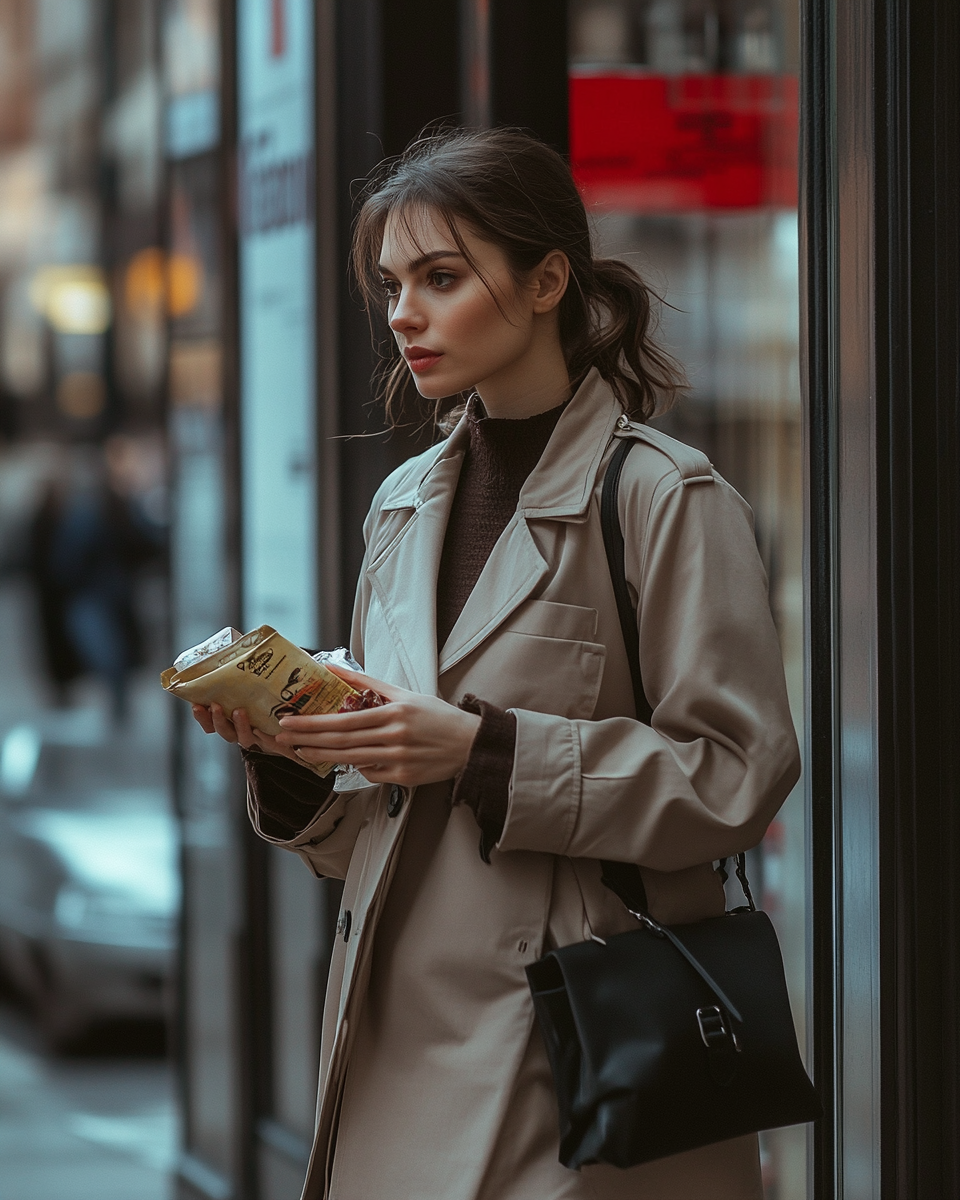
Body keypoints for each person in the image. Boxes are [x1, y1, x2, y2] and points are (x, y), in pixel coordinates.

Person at [192, 128, 801, 1200]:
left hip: (571, 1046)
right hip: (391, 1030)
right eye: (390, 285)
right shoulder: (404, 501)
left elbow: (737, 775)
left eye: (439, 278)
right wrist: (297, 760)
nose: (403, 316)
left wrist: (486, 752)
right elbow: (380, 827)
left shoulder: (665, 495)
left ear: (545, 281)